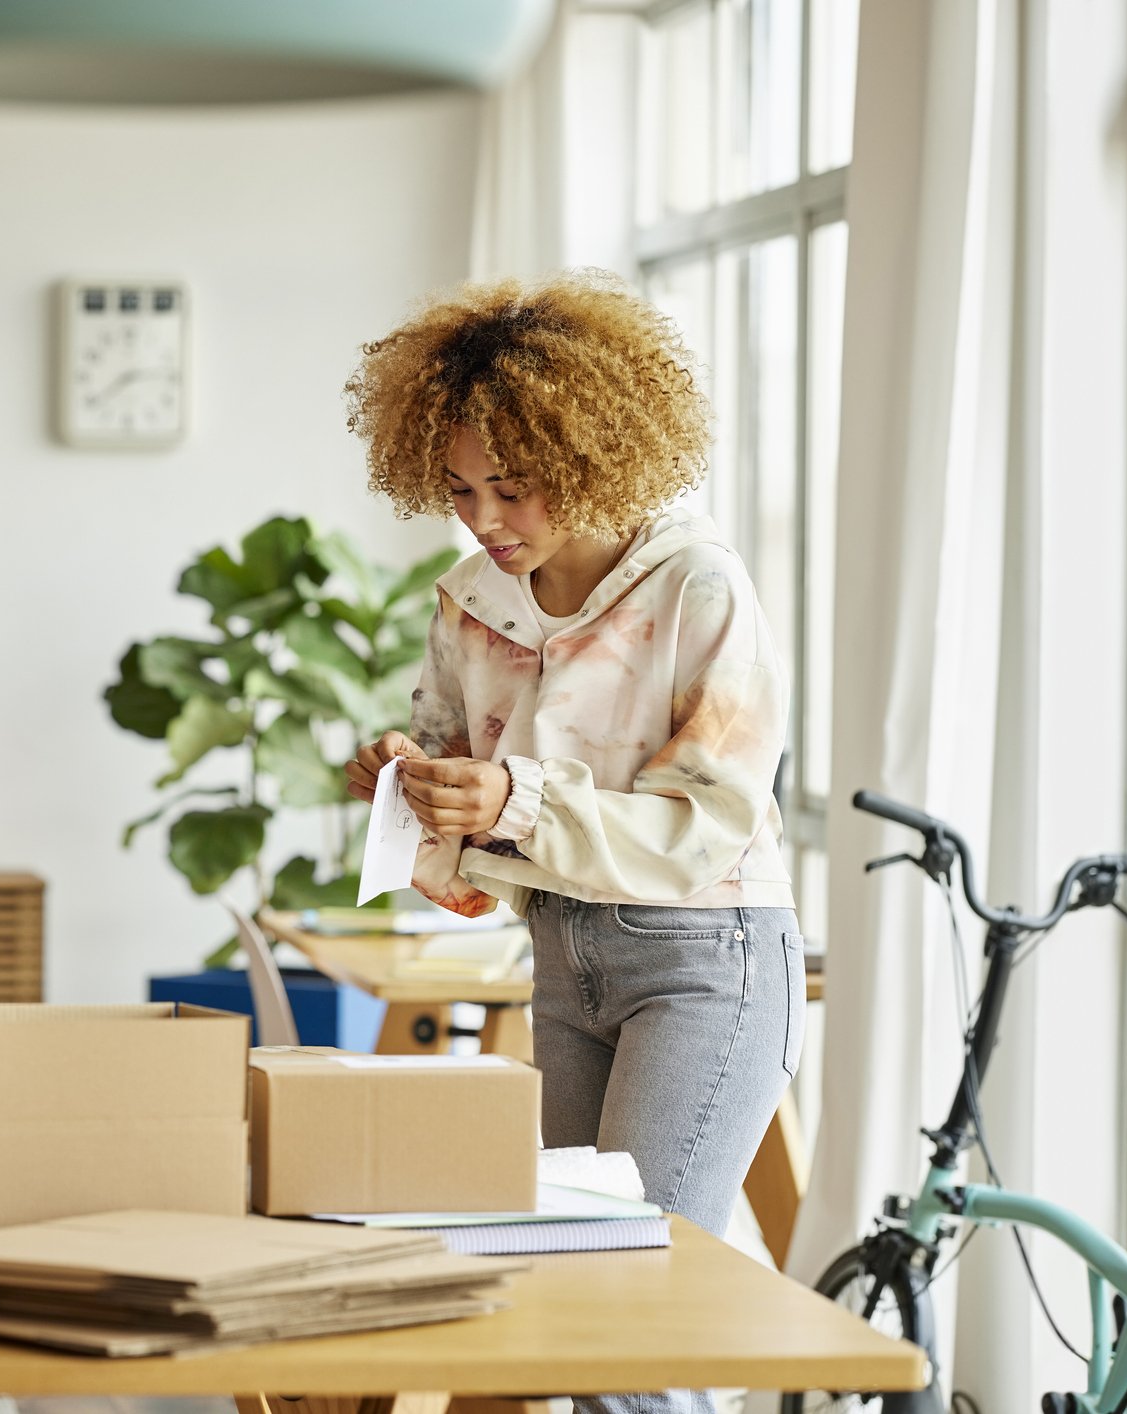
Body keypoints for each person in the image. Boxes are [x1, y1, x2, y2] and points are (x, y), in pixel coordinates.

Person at [343, 270, 801, 1414]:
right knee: (565, 1299)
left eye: (511, 486)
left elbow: (701, 827)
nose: (485, 522)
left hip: (705, 959)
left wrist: (507, 802)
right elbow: (463, 827)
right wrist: (407, 787)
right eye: (457, 490)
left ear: (593, 451)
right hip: (562, 955)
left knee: (632, 1328)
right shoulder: (469, 603)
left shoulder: (698, 590)